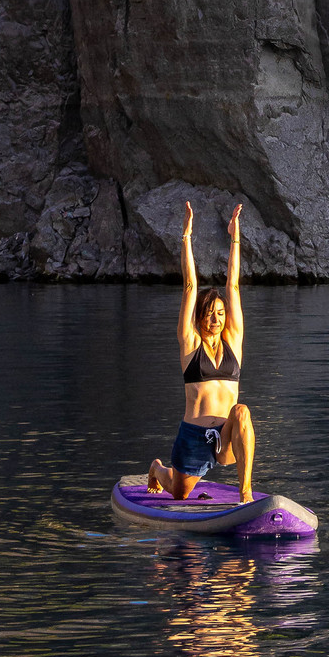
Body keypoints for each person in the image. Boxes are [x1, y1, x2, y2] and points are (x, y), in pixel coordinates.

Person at [147, 199, 256, 501]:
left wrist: (235, 236)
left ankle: (244, 493)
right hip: (194, 438)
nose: (216, 318)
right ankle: (157, 469)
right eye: (209, 313)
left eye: (220, 313)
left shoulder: (233, 340)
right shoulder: (190, 344)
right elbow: (189, 288)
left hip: (225, 438)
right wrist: (186, 236)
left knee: (242, 412)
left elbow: (233, 286)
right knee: (180, 493)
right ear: (199, 317)